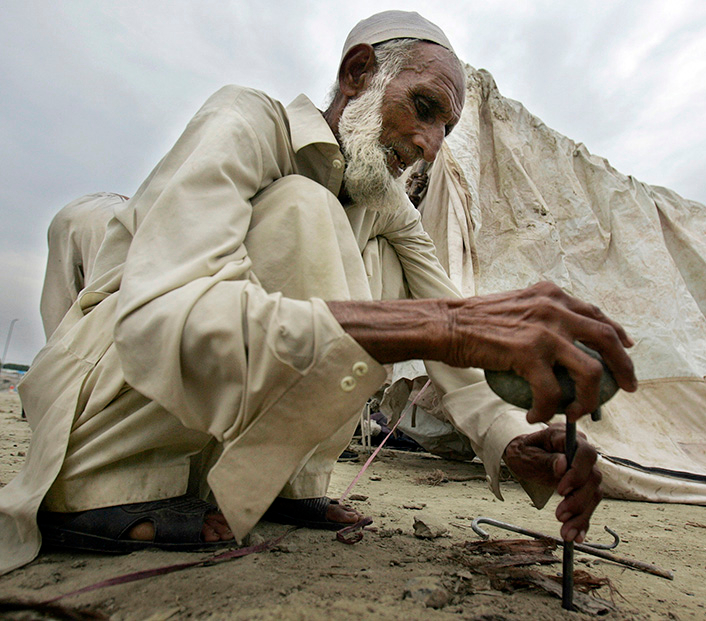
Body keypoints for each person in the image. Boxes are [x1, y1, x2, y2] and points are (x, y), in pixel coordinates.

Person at [0, 10, 636, 575]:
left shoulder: (388, 206)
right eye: (424, 109)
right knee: (308, 210)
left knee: (386, 268)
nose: (429, 145)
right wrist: (442, 324)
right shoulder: (248, 122)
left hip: (221, 417)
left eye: (446, 130)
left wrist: (507, 436)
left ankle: (289, 480)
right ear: (358, 73)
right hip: (113, 387)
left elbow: (452, 336)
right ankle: (106, 481)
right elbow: (164, 314)